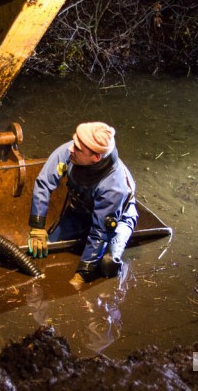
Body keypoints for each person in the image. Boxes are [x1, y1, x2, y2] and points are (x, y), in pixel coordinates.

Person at [27, 122, 138, 289]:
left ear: (96, 158)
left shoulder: (114, 187)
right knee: (45, 249)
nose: (71, 148)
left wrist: (83, 273)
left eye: (78, 148)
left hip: (117, 219)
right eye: (74, 141)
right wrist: (37, 226)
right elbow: (44, 183)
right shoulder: (71, 151)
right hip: (80, 210)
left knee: (107, 263)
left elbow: (100, 232)